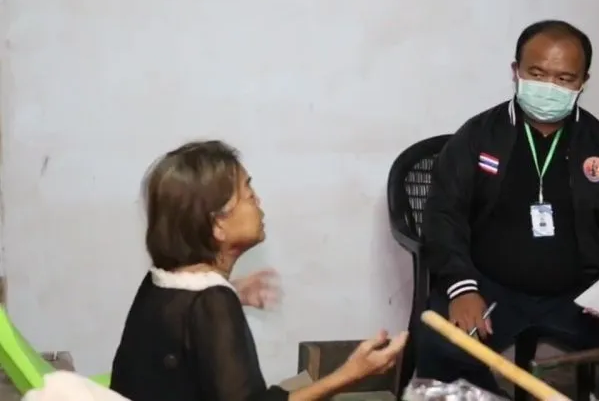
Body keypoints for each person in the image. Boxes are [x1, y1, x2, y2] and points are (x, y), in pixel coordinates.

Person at [414, 20, 599, 398]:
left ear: (583, 81)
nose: (549, 87)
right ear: (515, 71)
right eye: (537, 73)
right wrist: (461, 286)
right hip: (491, 287)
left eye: (564, 78)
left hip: (578, 295)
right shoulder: (479, 136)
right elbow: (443, 215)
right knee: (442, 343)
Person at [110, 140, 407, 401]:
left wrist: (232, 292)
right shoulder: (213, 303)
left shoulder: (161, 283)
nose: (258, 201)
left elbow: (177, 334)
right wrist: (351, 373)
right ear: (217, 224)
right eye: (249, 194)